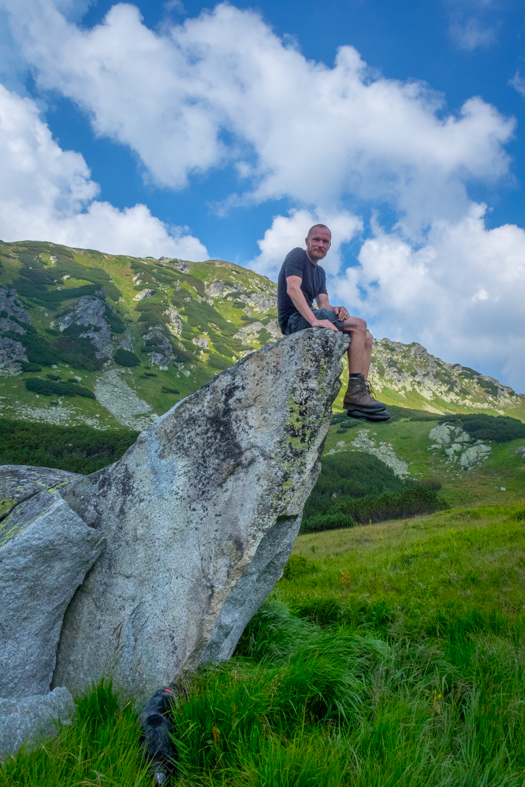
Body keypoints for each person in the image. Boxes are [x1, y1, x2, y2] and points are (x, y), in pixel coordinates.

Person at [277, 224, 389, 422]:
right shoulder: (296, 255)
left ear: (329, 246)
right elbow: (292, 289)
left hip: (310, 315)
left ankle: (360, 393)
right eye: (316, 239)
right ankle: (355, 394)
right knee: (359, 324)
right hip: (294, 320)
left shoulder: (319, 273)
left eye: (325, 241)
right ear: (307, 242)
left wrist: (337, 309)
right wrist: (313, 320)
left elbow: (324, 304)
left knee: (367, 338)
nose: (320, 244)